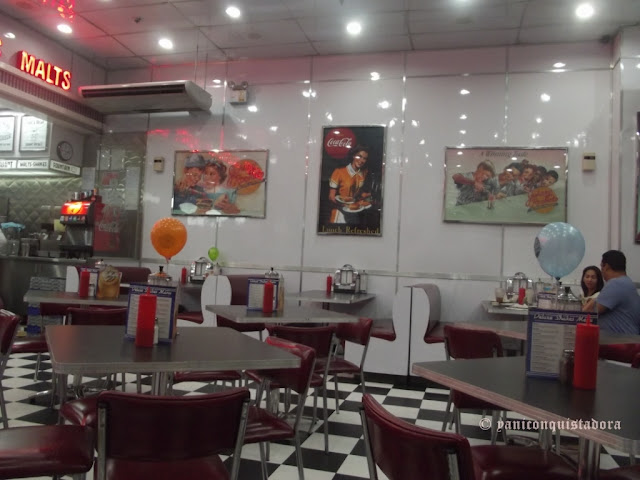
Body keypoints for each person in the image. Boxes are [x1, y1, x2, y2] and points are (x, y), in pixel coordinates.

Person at [583, 250, 640, 334]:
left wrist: (594, 299)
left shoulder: (615, 284)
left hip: (620, 339)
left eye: (601, 267)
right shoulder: (627, 282)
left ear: (606, 267)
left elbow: (589, 312)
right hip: (627, 337)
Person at [328, 145, 371, 224]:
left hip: (354, 213)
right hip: (340, 214)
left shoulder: (364, 172)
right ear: (353, 156)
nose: (361, 160)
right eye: (359, 156)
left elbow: (357, 192)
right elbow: (331, 197)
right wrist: (345, 205)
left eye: (364, 158)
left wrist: (366, 196)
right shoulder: (339, 171)